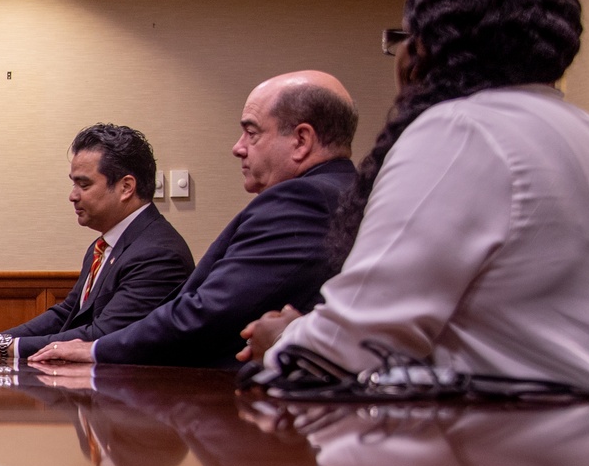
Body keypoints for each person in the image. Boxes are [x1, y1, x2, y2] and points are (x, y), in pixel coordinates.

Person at [244, 0, 589, 392]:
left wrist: (282, 340)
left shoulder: (460, 131)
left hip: (514, 445)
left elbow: (355, 344)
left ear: (424, 49)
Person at [29, 72, 359, 369]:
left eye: (251, 133)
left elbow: (209, 312)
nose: (237, 148)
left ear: (301, 141)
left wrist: (97, 349)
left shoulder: (302, 200)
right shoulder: (342, 192)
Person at [0, 123, 193, 364]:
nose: (72, 196)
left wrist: (3, 348)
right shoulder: (106, 244)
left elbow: (102, 336)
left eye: (83, 185)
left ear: (126, 187)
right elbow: (66, 313)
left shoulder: (157, 253)